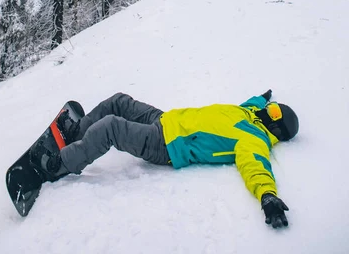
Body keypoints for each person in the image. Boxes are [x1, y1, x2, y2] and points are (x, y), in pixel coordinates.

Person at [30, 89, 299, 229]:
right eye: (271, 108)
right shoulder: (250, 112)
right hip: (166, 119)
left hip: (167, 146)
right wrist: (265, 96)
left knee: (112, 127)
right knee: (118, 101)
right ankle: (80, 132)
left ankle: (61, 165)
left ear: (276, 129)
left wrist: (267, 196)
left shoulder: (254, 139)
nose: (268, 110)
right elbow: (253, 102)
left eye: (273, 113)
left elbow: (255, 167)